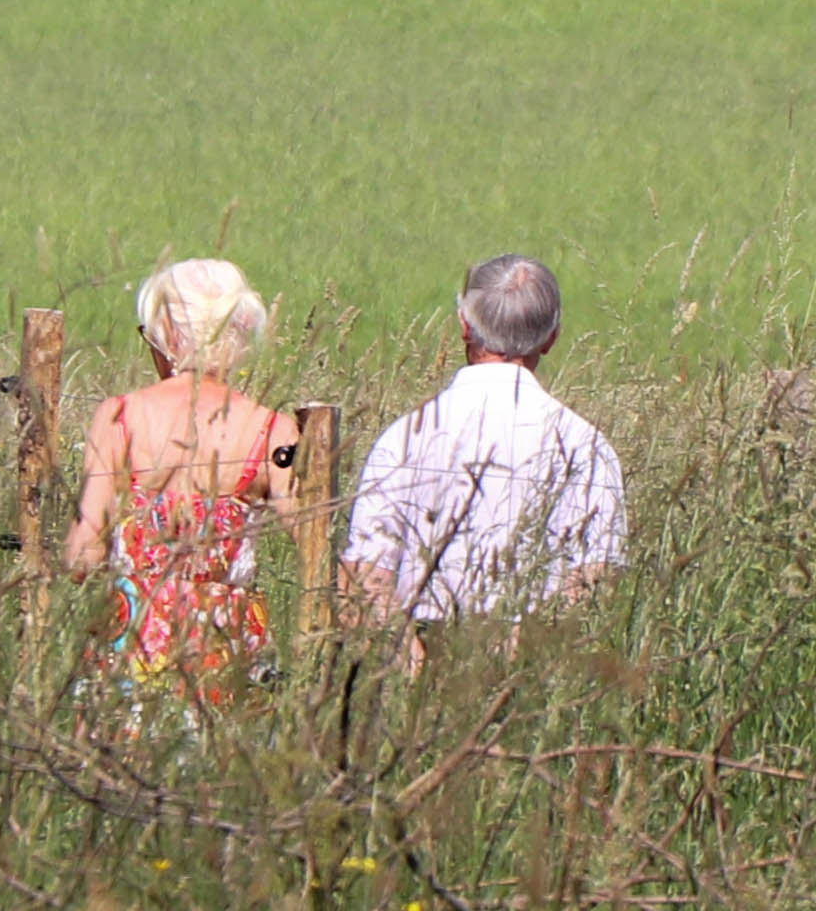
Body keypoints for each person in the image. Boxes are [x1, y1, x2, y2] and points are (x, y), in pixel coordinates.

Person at [340, 253, 624, 657]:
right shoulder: (585, 447)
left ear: (464, 325)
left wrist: (410, 664)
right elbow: (591, 582)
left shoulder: (403, 437)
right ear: (552, 336)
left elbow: (365, 581)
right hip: (533, 671)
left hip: (418, 657)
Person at [63, 256, 288, 705]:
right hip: (229, 648)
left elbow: (81, 552)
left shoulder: (119, 417)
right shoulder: (272, 430)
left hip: (133, 641)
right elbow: (312, 539)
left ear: (166, 331)